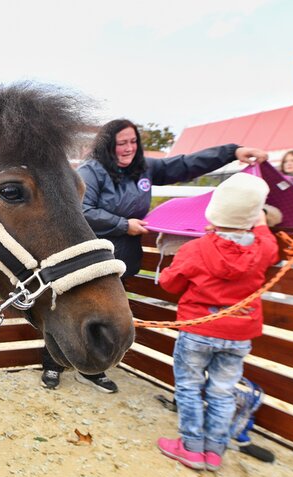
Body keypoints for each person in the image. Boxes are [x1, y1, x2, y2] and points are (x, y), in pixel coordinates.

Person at [40, 119, 269, 393]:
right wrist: (124, 225)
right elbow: (82, 210)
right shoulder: (92, 171)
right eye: (121, 143)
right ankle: (52, 363)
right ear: (108, 146)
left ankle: (93, 368)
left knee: (106, 314)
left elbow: (185, 164)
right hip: (91, 257)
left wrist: (232, 152)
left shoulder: (145, 167)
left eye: (132, 142)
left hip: (123, 259)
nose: (128, 148)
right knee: (69, 307)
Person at [156, 172, 279, 471]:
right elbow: (265, 236)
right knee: (223, 392)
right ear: (253, 216)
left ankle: (190, 447)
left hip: (198, 331)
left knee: (188, 387)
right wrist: (258, 219)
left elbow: (169, 284)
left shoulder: (196, 249)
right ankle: (214, 452)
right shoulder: (263, 247)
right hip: (239, 334)